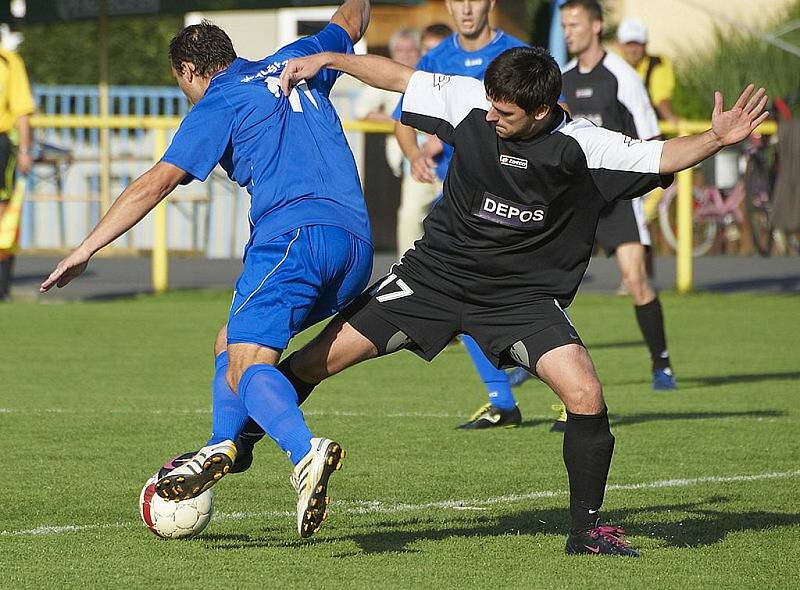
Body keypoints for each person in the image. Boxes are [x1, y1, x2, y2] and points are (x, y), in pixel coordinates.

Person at [275, 46, 767, 556]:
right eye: (491, 104)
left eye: (504, 113)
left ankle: (586, 531)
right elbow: (399, 77)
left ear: (541, 110)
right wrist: (329, 58)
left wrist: (715, 137)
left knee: (585, 394)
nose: (490, 116)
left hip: (519, 299)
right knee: (312, 362)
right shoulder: (472, 102)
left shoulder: (583, 145)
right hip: (433, 279)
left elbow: (661, 155)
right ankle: (227, 450)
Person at [40, 0, 373, 540]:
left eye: (182, 85)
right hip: (356, 244)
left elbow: (155, 182)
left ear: (189, 71)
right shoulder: (298, 56)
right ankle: (223, 445)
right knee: (231, 341)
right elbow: (352, 18)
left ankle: (304, 450)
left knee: (244, 367)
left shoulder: (217, 102)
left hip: (292, 237)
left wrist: (86, 249)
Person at [393, 0, 530, 430]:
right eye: (458, 0)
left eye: (474, 0)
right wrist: (414, 154)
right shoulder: (436, 60)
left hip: (515, 193)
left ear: (489, 4)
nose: (466, 8)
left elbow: (554, 116)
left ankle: (552, 382)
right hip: (461, 198)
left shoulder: (519, 54)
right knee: (463, 294)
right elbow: (403, 118)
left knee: (529, 293)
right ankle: (503, 397)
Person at [559, 0, 677, 405]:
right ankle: (536, 360)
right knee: (549, 283)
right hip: (577, 198)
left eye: (574, 24)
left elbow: (649, 134)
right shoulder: (563, 78)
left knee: (636, 281)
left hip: (619, 196)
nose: (568, 32)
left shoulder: (621, 76)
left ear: (595, 26)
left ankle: (661, 363)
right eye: (564, 25)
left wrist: (648, 185)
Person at [0, 45, 34, 301]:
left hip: (1, 142)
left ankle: (2, 285)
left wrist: (24, 149)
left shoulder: (9, 61)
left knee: (3, 211)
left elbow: (22, 110)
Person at [617, 17, 678, 125]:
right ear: (619, 46)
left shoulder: (658, 64)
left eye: (637, 44)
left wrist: (670, 118)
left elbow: (661, 97)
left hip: (649, 132)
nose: (633, 50)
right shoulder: (611, 65)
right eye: (628, 44)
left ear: (646, 45)